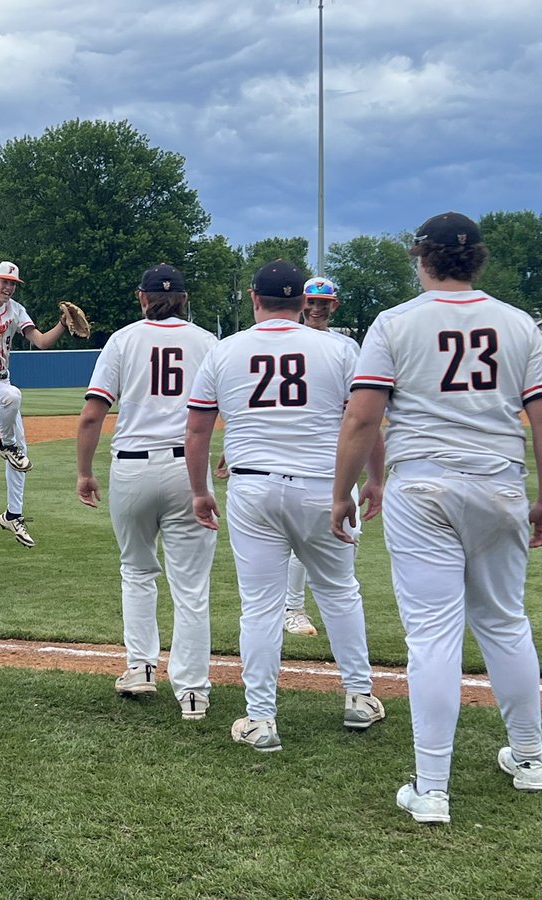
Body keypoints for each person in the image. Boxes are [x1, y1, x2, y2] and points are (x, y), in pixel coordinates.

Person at [332, 212, 542, 824]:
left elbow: (363, 417)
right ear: (479, 257)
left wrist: (342, 491)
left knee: (432, 636)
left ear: (420, 256)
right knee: (505, 622)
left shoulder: (395, 321)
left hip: (422, 485)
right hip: (500, 479)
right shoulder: (519, 323)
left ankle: (432, 787)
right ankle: (530, 757)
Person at [185, 260, 385, 752]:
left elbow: (197, 430)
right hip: (324, 485)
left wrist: (198, 489)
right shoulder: (340, 348)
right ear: (302, 302)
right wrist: (375, 479)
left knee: (260, 606)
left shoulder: (226, 349)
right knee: (340, 591)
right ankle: (359, 696)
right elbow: (366, 421)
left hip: (253, 487)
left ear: (255, 298)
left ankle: (261, 718)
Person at [76, 264, 218, 719]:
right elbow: (232, 406)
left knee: (137, 572)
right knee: (191, 586)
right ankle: (193, 691)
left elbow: (92, 415)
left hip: (133, 468)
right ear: (185, 298)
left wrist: (84, 472)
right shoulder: (207, 342)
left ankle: (141, 667)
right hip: (188, 469)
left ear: (142, 298)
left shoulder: (123, 339)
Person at [278, 277, 385, 637]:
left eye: (324, 303)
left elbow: (363, 409)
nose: (317, 308)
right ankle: (293, 608)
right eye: (311, 301)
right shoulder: (286, 341)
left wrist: (375, 473)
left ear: (334, 306)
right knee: (302, 536)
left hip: (339, 451)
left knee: (349, 532)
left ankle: (337, 606)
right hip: (296, 450)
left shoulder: (347, 345)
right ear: (301, 303)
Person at [0, 261, 76, 548]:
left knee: (21, 452)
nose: (8, 287)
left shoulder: (15, 309)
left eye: (13, 283)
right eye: (4, 281)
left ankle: (13, 514)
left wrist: (62, 325)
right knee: (12, 397)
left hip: (1, 379)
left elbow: (39, 341)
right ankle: (6, 443)